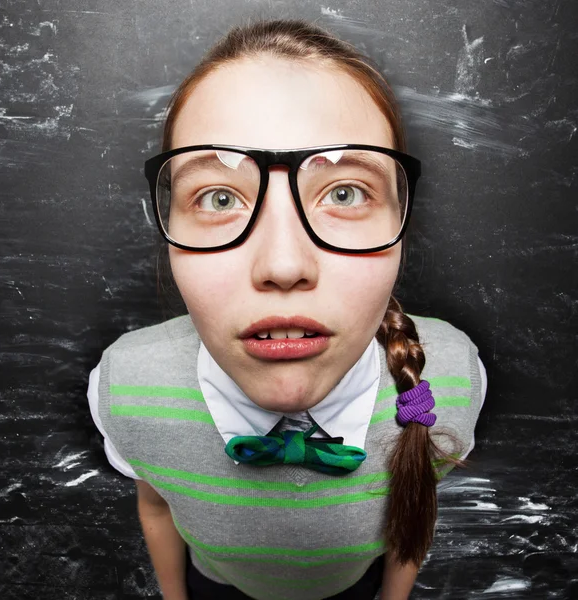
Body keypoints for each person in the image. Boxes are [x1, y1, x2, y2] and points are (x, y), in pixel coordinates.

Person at [87, 18, 487, 600]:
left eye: (345, 193)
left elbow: (413, 519)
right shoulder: (125, 386)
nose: (282, 264)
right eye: (219, 197)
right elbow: (155, 506)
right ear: (168, 232)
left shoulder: (449, 382)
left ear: (403, 228)